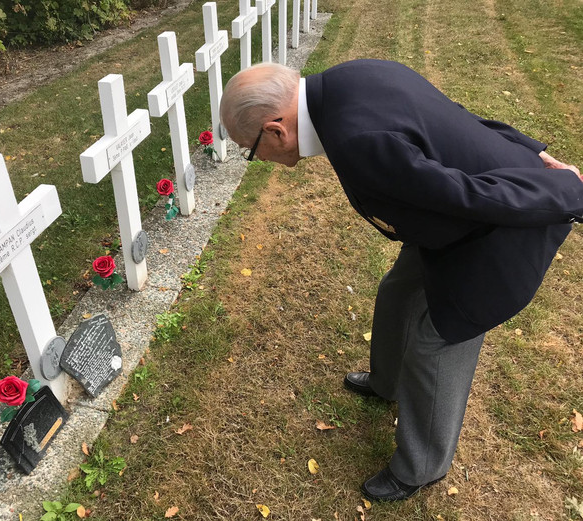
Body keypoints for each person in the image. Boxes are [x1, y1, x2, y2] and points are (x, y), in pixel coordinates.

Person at [219, 60, 582, 502]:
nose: (258, 159)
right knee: (399, 291)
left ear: (276, 130)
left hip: (498, 228)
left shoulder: (357, 140)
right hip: (447, 220)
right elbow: (449, 116)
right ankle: (385, 382)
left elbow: (463, 195)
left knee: (438, 343)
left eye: (251, 149)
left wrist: (563, 191)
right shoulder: (345, 81)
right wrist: (529, 151)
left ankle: (420, 467)